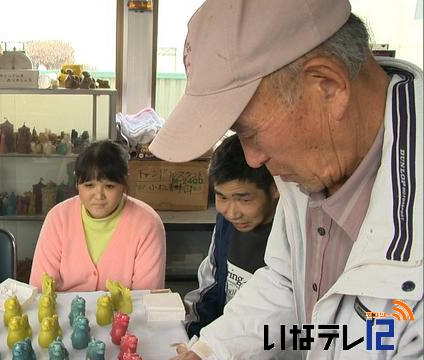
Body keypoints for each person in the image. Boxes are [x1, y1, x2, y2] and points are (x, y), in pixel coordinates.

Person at [148, 0, 423, 358]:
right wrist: (212, 350)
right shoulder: (312, 159)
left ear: (327, 86)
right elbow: (287, 281)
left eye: (250, 131)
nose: (253, 159)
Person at [29, 140, 166, 291]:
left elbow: (147, 298)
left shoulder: (147, 224)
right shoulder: (58, 218)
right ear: (77, 184)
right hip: (61, 314)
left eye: (109, 186)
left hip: (127, 315)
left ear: (125, 183)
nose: (99, 196)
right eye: (89, 185)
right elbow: (40, 290)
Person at [184, 134, 278, 338]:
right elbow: (211, 287)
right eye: (222, 197)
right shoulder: (227, 224)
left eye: (244, 199)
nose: (232, 212)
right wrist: (194, 337)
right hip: (223, 342)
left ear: (275, 189)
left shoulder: (289, 234)